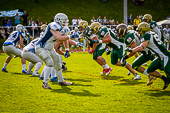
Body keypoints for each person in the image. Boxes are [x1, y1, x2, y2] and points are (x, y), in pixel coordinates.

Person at [122, 22, 170, 90]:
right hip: (159, 57)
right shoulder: (151, 33)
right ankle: (166, 80)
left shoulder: (146, 35)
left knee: (168, 73)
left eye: (139, 30)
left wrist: (131, 50)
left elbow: (141, 47)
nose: (138, 32)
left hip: (165, 56)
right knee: (149, 70)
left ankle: (167, 79)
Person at [35, 13, 73, 89]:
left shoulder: (62, 28)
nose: (65, 23)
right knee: (49, 62)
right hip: (41, 47)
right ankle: (45, 83)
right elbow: (58, 37)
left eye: (66, 21)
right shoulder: (53, 25)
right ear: (58, 20)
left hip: (49, 48)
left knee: (57, 64)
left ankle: (61, 81)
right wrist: (71, 36)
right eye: (64, 21)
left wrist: (67, 49)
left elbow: (65, 38)